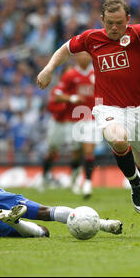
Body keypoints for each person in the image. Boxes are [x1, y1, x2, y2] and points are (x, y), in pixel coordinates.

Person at [37, 0, 140, 214]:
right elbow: (66, 48)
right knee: (118, 138)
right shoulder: (92, 38)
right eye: (109, 22)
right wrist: (48, 68)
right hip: (108, 109)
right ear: (102, 19)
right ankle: (135, 184)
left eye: (119, 22)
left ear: (128, 19)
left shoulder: (138, 34)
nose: (114, 27)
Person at [41, 52, 100, 198]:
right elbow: (56, 96)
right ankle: (64, 180)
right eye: (80, 55)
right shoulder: (70, 76)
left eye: (86, 55)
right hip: (71, 121)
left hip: (91, 118)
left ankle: (87, 184)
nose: (84, 58)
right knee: (74, 153)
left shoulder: (98, 74)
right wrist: (73, 98)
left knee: (88, 151)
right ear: (76, 58)